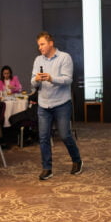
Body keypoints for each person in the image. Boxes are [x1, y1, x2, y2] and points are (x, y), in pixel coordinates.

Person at [31, 31, 82, 180]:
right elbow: (32, 82)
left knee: (65, 135)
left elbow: (68, 80)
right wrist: (37, 79)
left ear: (51, 43)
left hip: (61, 104)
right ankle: (47, 168)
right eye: (38, 45)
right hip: (43, 104)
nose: (40, 47)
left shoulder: (64, 57)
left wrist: (51, 78)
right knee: (43, 138)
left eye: (42, 44)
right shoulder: (38, 60)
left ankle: (77, 160)